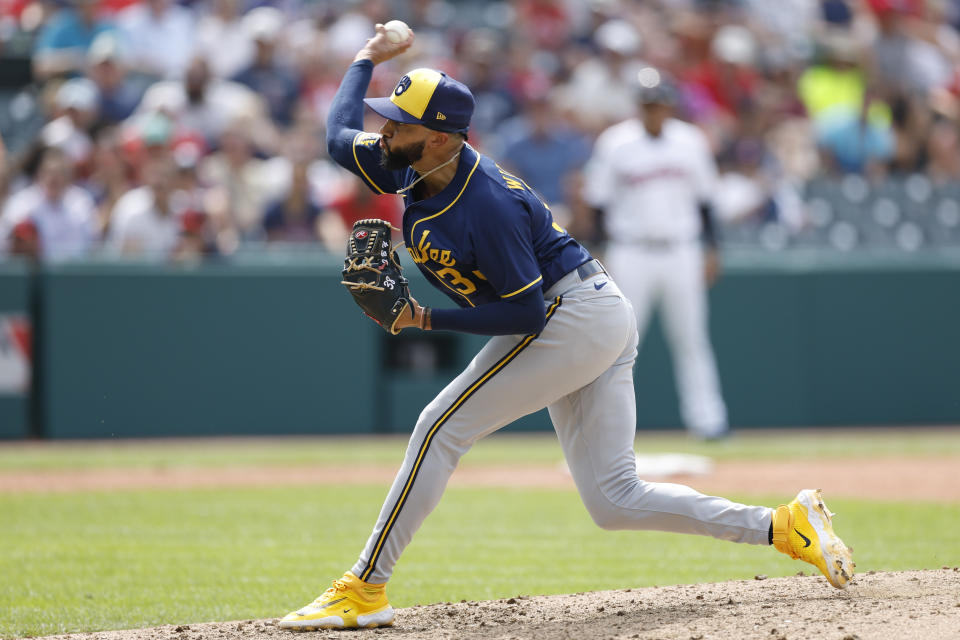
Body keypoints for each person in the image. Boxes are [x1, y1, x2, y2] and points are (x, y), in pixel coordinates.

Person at [278, 26, 854, 632]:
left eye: (401, 123)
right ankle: (784, 525)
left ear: (442, 138)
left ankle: (364, 588)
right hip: (585, 312)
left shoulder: (487, 203)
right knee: (615, 500)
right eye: (389, 119)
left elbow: (525, 316)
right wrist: (366, 57)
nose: (386, 130)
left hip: (569, 315)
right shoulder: (407, 163)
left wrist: (425, 319)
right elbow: (338, 136)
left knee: (438, 428)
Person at [583, 68, 730, 441]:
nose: (653, 110)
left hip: (682, 249)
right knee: (620, 341)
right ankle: (603, 425)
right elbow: (598, 204)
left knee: (692, 338)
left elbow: (707, 201)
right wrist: (600, 252)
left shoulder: (690, 140)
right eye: (648, 104)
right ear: (639, 106)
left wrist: (712, 248)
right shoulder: (615, 143)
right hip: (631, 250)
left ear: (670, 106)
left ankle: (708, 421)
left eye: (659, 104)